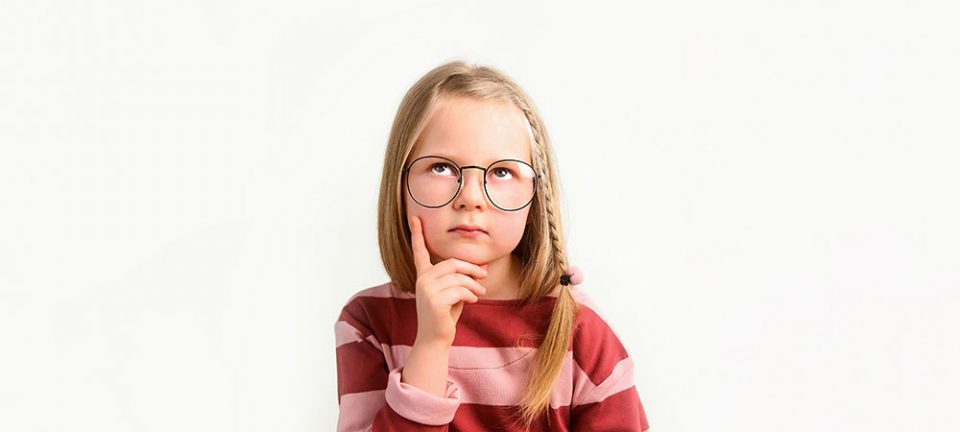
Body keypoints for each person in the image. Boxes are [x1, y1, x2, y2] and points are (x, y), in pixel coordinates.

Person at [334, 60, 650, 431]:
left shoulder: (576, 328)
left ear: (536, 195)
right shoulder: (368, 322)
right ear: (399, 185)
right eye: (441, 167)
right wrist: (431, 345)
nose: (471, 197)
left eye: (501, 172)